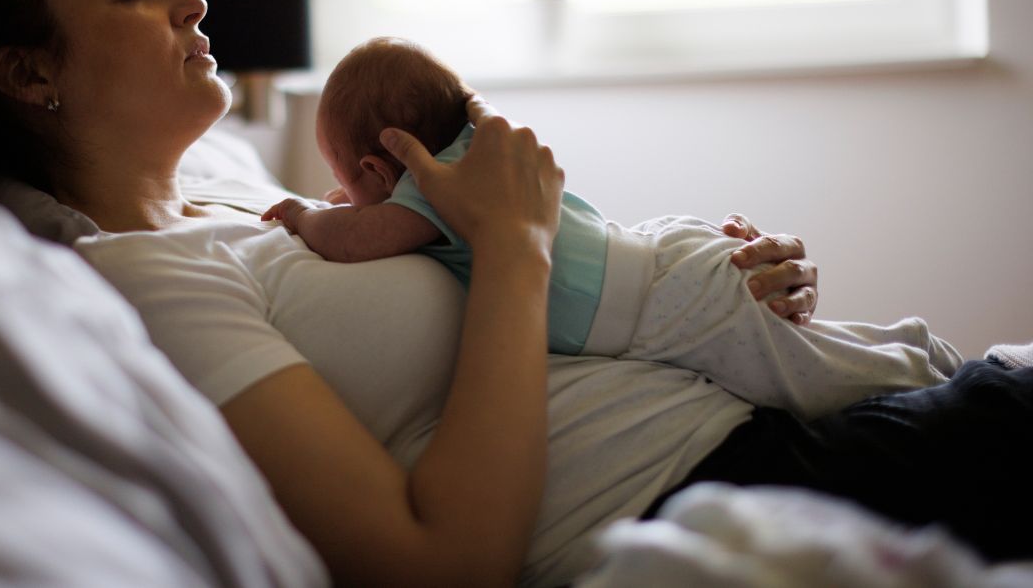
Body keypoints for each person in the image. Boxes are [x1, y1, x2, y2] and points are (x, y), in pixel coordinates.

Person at [0, 0, 1033, 586]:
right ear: (28, 72)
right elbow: (435, 561)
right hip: (704, 487)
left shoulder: (238, 208)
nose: (191, 2)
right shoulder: (142, 282)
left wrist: (712, 288)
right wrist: (514, 244)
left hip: (753, 423)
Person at [262, 37, 965, 421]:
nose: (350, 201)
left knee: (809, 381)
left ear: (375, 169)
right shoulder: (479, 155)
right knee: (802, 357)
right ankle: (907, 349)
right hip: (661, 257)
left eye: (347, 183)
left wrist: (303, 214)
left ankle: (922, 362)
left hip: (663, 300)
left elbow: (355, 239)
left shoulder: (429, 191)